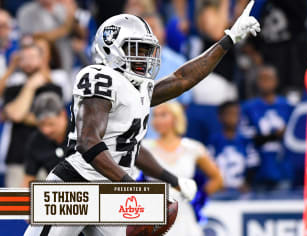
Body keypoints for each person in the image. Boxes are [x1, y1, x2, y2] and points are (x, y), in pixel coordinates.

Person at [24, 1, 260, 235]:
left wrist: (228, 40)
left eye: (146, 50)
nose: (144, 58)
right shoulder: (100, 76)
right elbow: (89, 141)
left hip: (111, 189)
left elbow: (182, 80)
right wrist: (132, 187)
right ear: (110, 48)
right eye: (135, 49)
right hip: (76, 187)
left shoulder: (139, 88)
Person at [142, 102, 223, 236]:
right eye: (155, 116)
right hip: (153, 216)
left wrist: (198, 197)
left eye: (163, 115)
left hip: (184, 215)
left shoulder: (192, 148)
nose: (157, 120)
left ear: (176, 118)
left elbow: (218, 178)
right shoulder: (144, 148)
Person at [1, 44, 62, 187]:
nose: (28, 62)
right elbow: (15, 115)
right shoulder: (12, 89)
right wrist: (30, 86)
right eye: (24, 58)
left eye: (32, 57)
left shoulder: (53, 88)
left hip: (47, 158)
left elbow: (53, 121)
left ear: (42, 60)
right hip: (17, 159)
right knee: (16, 207)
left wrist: (24, 115)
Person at [240, 65, 293, 190]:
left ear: (276, 81)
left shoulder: (287, 106)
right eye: (261, 79)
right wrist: (275, 135)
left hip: (282, 166)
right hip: (259, 169)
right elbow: (247, 137)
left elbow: (295, 135)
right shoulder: (248, 108)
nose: (265, 83)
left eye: (268, 78)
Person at [208, 101, 259, 193]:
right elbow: (209, 164)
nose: (232, 118)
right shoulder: (214, 140)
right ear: (220, 117)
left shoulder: (245, 140)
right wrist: (217, 183)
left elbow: (253, 163)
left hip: (241, 189)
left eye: (236, 114)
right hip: (221, 189)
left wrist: (247, 183)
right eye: (229, 114)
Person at [23, 92, 69, 187]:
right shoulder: (36, 140)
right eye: (41, 125)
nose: (46, 130)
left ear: (63, 115)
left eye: (50, 124)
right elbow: (28, 180)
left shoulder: (82, 134)